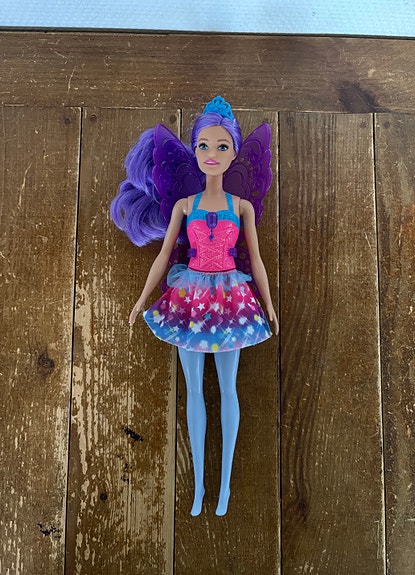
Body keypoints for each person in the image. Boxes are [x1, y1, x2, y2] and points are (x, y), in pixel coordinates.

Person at [111, 96, 278, 516]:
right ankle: (201, 485)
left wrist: (269, 305)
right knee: (194, 392)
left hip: (231, 299)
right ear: (194, 149)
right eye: (203, 145)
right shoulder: (185, 206)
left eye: (222, 146)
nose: (211, 154)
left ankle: (224, 488)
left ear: (235, 153)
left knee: (227, 389)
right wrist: (142, 299)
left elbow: (256, 260)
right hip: (189, 298)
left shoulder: (241, 207)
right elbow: (164, 255)